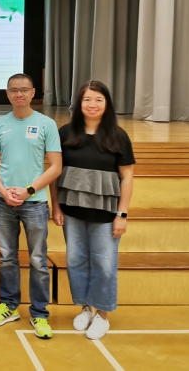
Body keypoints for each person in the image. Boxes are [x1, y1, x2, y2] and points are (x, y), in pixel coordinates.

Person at [50, 80, 135, 340]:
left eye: (98, 99)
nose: (92, 104)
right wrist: (56, 206)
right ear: (79, 103)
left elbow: (127, 178)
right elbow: (54, 173)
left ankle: (103, 315)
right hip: (72, 212)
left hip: (106, 214)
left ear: (106, 103)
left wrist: (121, 215)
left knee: (104, 264)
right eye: (87, 99)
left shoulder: (118, 136)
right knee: (76, 261)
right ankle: (86, 307)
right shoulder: (65, 133)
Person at [0, 74, 62, 339]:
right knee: (7, 257)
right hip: (2, 201)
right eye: (14, 90)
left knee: (38, 260)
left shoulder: (46, 124)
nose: (19, 94)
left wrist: (29, 190)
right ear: (7, 93)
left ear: (33, 92)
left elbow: (56, 166)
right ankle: (9, 306)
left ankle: (40, 313)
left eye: (24, 90)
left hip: (35, 203)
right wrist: (3, 190)